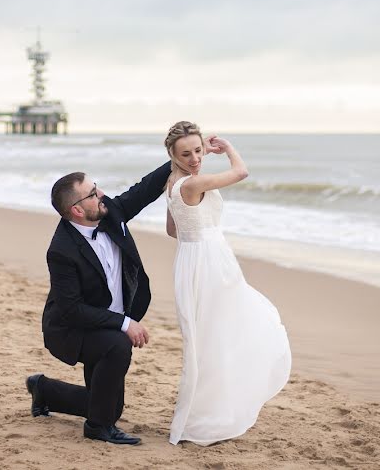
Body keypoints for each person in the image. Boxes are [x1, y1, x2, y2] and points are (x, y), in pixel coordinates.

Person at [164, 121, 291, 446]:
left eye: (197, 151)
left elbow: (172, 230)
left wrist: (198, 230)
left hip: (191, 261)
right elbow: (241, 172)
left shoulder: (173, 183)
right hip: (210, 263)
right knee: (233, 330)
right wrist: (229, 148)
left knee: (207, 340)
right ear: (173, 155)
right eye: (186, 154)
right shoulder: (195, 183)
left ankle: (203, 415)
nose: (194, 158)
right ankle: (209, 417)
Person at [27, 161, 170, 445]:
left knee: (111, 406)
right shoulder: (61, 251)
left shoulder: (110, 213)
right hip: (72, 328)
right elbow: (71, 310)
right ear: (77, 210)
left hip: (102, 323)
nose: (101, 194)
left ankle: (43, 389)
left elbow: (144, 190)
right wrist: (124, 322)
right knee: (118, 347)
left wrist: (178, 160)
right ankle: (97, 427)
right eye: (93, 193)